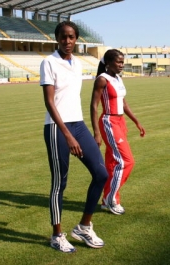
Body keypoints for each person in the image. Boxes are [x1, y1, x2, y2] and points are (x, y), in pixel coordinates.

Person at [40, 21, 108, 253]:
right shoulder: (49, 62)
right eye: (63, 37)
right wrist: (68, 135)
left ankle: (83, 227)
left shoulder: (78, 63)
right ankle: (57, 235)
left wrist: (90, 131)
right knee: (60, 183)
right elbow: (50, 102)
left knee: (101, 173)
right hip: (56, 128)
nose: (67, 41)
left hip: (78, 124)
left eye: (71, 37)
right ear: (57, 38)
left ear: (76, 39)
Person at [90, 49, 145, 215]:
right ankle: (109, 199)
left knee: (113, 163)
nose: (122, 65)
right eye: (119, 62)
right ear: (108, 63)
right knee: (126, 162)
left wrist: (136, 121)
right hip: (109, 122)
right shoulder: (102, 80)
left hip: (120, 122)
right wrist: (96, 132)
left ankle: (109, 199)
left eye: (123, 62)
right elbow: (94, 106)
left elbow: (124, 103)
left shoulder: (118, 78)